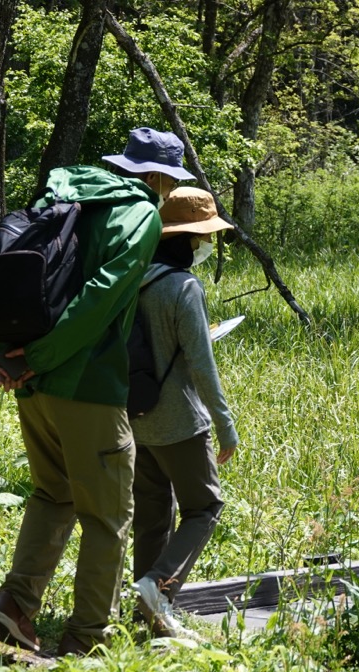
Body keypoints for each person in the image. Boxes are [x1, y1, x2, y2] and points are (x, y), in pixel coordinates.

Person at [0, 128, 193, 657]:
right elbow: (101, 298)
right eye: (169, 182)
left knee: (53, 494)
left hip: (32, 386)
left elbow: (8, 272)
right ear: (159, 176)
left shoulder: (60, 194)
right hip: (88, 387)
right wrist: (41, 358)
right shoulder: (139, 214)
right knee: (107, 515)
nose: (167, 192)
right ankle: (86, 638)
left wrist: (8, 359)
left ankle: (16, 605)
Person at [128, 186, 239, 638]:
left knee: (153, 514)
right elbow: (200, 362)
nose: (207, 246)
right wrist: (225, 424)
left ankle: (147, 615)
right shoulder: (184, 286)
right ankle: (157, 586)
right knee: (205, 506)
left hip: (136, 415)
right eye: (204, 239)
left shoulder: (134, 278)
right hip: (180, 420)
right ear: (191, 241)